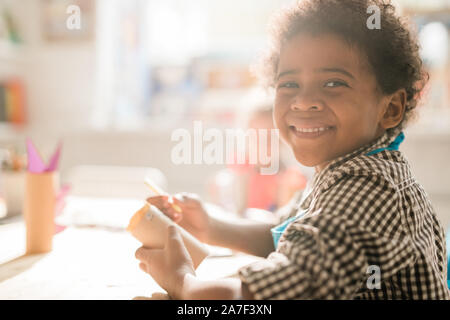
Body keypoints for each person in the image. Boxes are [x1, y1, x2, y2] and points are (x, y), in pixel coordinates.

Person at [135, 0, 450, 299]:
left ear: (391, 108)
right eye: (288, 84)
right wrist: (211, 227)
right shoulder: (343, 169)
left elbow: (260, 297)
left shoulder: (369, 188)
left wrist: (182, 281)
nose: (302, 100)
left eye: (333, 83)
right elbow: (282, 232)